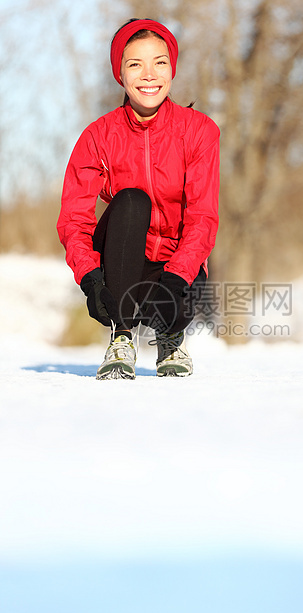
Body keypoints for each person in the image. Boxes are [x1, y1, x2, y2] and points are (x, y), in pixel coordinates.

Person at [57, 18, 220, 380]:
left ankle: (170, 338)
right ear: (121, 73)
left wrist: (178, 278)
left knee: (176, 306)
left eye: (159, 62)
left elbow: (203, 218)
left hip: (178, 268)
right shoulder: (98, 136)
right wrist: (90, 279)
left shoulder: (199, 131)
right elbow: (74, 219)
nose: (149, 74)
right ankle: (122, 336)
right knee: (132, 201)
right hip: (122, 264)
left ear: (172, 68)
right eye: (136, 64)